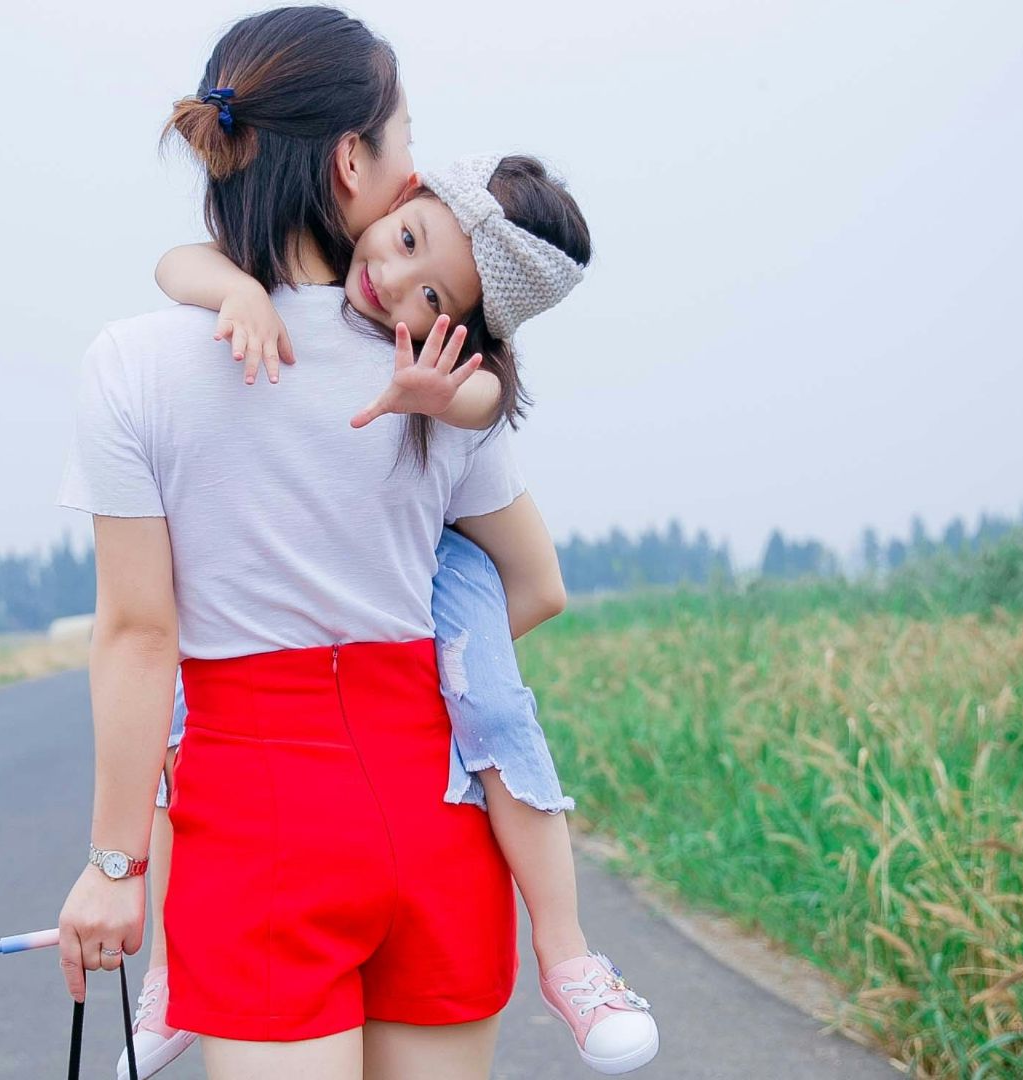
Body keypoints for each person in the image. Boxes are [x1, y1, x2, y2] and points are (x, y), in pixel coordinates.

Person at [56, 8, 561, 1078]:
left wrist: (116, 864)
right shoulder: (432, 362)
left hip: (259, 828)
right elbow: (536, 584)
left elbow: (140, 635)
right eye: (406, 136)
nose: (415, 167)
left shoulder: (137, 364)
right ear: (350, 161)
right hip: (435, 817)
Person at [126, 154, 660, 1078]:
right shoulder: (303, 272)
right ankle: (171, 977)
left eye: (431, 297)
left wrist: (437, 666)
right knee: (183, 731)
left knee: (495, 709)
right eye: (405, 241)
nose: (393, 279)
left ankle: (570, 957)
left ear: (458, 328)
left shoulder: (448, 378)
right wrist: (236, 294)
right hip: (291, 738)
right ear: (399, 196)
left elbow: (494, 399)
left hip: (440, 583)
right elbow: (177, 264)